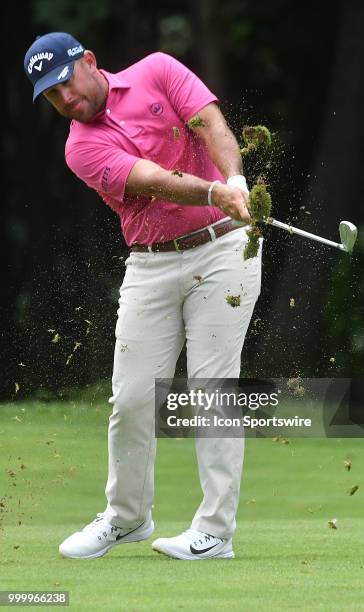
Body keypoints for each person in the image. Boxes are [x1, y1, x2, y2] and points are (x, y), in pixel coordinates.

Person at [24, 32, 262, 560]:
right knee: (131, 399)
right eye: (51, 96)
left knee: (210, 390)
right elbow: (149, 179)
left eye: (65, 83)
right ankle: (128, 517)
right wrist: (211, 190)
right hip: (150, 264)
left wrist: (236, 180)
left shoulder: (157, 69)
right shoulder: (79, 147)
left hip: (223, 251)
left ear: (88, 61)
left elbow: (212, 124)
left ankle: (215, 531)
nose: (63, 99)